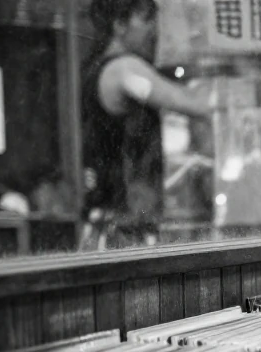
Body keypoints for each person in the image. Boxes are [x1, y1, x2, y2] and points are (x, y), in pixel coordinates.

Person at [80, 0, 215, 250]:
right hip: (119, 230)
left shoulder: (98, 67)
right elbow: (193, 104)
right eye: (146, 19)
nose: (154, 28)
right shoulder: (122, 69)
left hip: (117, 224)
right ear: (119, 25)